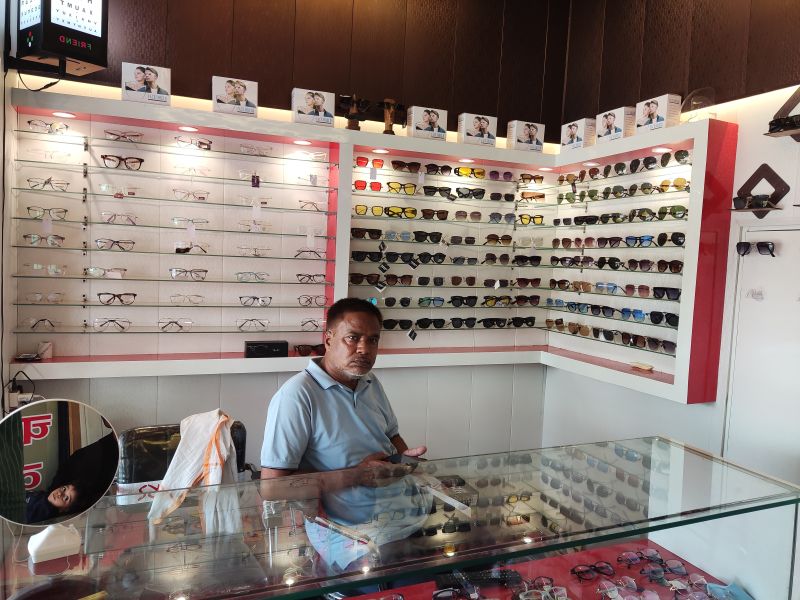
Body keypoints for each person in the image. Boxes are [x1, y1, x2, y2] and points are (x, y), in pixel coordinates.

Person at [260, 298, 426, 481]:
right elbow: (272, 484)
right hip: (342, 501)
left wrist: (405, 461)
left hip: (397, 496)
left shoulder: (370, 381)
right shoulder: (296, 395)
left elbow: (392, 435)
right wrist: (356, 475)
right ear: (328, 340)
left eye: (373, 340)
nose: (364, 349)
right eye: (352, 338)